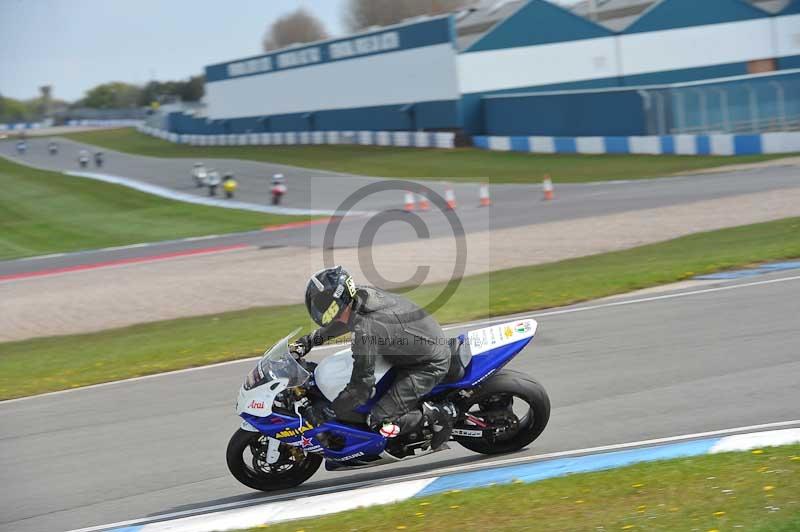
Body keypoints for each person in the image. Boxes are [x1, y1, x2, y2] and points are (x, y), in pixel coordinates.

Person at [292, 266, 456, 450]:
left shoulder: (367, 330)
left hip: (427, 364)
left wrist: (331, 411)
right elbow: (343, 321)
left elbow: (361, 387)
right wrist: (305, 343)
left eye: (324, 304)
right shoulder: (359, 297)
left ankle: (435, 415)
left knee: (378, 421)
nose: (320, 310)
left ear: (338, 300)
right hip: (414, 345)